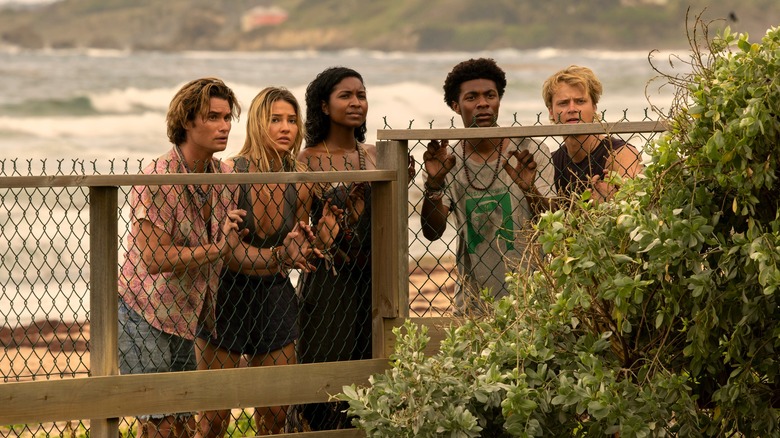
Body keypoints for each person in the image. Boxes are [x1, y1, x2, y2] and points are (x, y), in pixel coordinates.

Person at [194, 87, 341, 437]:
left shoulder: (300, 181)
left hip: (274, 296)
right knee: (213, 418)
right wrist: (281, 256)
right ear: (259, 123)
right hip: (226, 296)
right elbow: (226, 251)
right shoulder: (229, 173)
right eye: (275, 119)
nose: (285, 128)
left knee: (274, 414)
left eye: (292, 120)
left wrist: (320, 239)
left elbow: (296, 251)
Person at [118, 77, 246, 438]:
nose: (224, 126)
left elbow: (227, 246)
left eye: (227, 118)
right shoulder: (157, 177)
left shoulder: (225, 176)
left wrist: (282, 254)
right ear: (188, 121)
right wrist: (218, 248)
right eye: (213, 117)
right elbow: (154, 258)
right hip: (144, 311)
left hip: (190, 314)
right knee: (159, 425)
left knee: (185, 424)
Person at [420, 58, 555, 313]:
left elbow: (550, 222)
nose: (483, 103)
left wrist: (529, 189)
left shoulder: (529, 149)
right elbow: (431, 232)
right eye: (472, 97)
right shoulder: (449, 159)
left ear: (499, 101)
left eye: (490, 95)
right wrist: (435, 185)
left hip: (531, 295)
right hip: (474, 299)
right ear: (455, 106)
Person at [291, 66, 377, 432]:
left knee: (373, 379)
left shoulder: (375, 155)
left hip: (376, 282)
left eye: (360, 95)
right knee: (325, 384)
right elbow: (297, 232)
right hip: (329, 287)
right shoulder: (306, 160)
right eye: (346, 96)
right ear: (324, 106)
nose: (356, 102)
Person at [542, 65, 643, 202]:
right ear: (551, 112)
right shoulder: (551, 162)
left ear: (594, 107)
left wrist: (613, 203)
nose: (572, 109)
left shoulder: (620, 154)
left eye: (580, 101)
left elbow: (638, 199)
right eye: (563, 103)